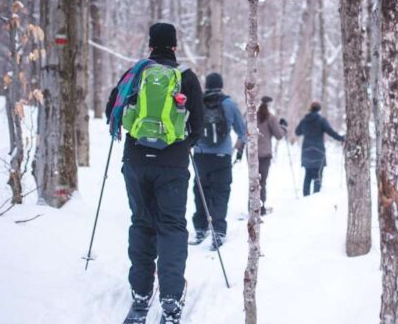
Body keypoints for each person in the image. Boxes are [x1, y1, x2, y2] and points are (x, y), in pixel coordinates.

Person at [106, 23, 203, 324]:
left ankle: (140, 297)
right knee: (172, 228)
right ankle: (171, 301)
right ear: (174, 46)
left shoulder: (135, 74)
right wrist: (177, 145)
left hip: (136, 162)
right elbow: (198, 127)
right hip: (172, 165)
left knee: (142, 224)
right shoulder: (186, 77)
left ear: (150, 45)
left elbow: (113, 111)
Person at [191, 72, 246, 250]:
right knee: (221, 194)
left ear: (206, 85)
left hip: (200, 156)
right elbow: (243, 132)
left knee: (201, 192)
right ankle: (219, 232)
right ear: (221, 85)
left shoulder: (197, 102)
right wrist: (238, 150)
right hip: (222, 157)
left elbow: (188, 127)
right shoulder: (229, 104)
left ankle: (200, 228)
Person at [295, 101, 344, 196]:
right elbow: (331, 132)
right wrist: (341, 138)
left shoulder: (304, 120)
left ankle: (305, 198)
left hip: (306, 151)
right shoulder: (321, 120)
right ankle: (315, 198)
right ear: (319, 109)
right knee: (318, 175)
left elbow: (297, 132)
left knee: (307, 176)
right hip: (318, 151)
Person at [256, 96, 287, 215]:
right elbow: (279, 135)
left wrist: (239, 149)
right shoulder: (270, 118)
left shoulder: (251, 116)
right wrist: (283, 127)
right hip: (265, 154)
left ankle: (252, 207)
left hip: (252, 154)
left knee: (254, 180)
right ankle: (261, 208)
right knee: (262, 182)